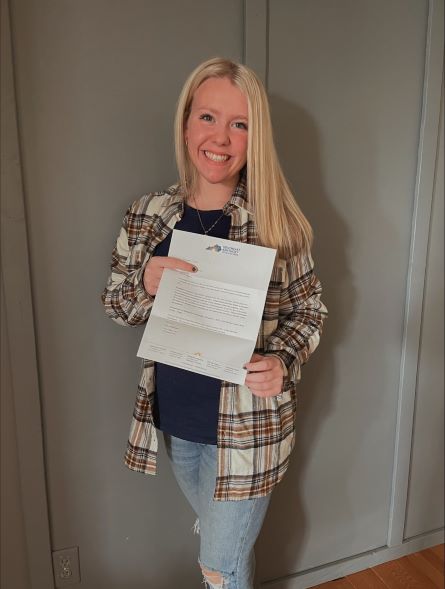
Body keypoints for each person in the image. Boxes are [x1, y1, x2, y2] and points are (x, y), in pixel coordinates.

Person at [101, 57, 327, 589]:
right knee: (228, 555)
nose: (220, 138)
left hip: (248, 431)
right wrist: (145, 284)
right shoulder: (147, 214)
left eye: (239, 124)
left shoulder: (277, 221)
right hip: (179, 425)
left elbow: (309, 309)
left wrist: (283, 360)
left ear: (255, 138)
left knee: (217, 568)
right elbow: (115, 304)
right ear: (185, 125)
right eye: (207, 118)